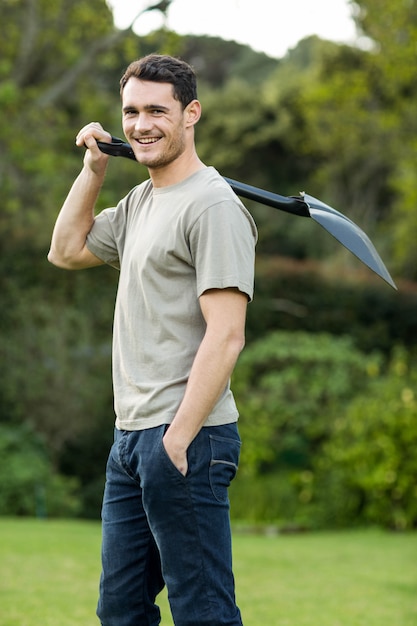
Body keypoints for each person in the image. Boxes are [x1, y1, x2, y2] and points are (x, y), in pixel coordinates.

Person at [48, 54, 257, 626]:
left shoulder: (213, 207)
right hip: (131, 437)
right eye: (131, 112)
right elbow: (66, 250)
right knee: (119, 611)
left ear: (191, 114)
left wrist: (177, 441)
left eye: (157, 111)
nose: (141, 125)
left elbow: (227, 334)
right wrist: (93, 170)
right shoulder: (142, 201)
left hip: (186, 438)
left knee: (203, 612)